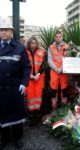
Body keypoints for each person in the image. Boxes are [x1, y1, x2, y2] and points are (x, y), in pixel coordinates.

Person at [0, 17, 31, 149]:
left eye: (6, 30)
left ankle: (17, 138)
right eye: (1, 30)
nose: (3, 32)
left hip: (15, 88)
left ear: (11, 31)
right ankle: (5, 138)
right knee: (2, 114)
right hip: (0, 88)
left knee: (16, 114)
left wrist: (24, 83)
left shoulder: (19, 48)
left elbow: (26, 67)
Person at [26, 36, 45, 125]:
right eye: (31, 43)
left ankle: (37, 116)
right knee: (30, 96)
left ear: (37, 44)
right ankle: (31, 116)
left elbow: (43, 65)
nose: (33, 45)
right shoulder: (25, 53)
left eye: (35, 43)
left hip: (39, 78)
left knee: (38, 96)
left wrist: (37, 74)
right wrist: (30, 76)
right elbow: (23, 66)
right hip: (29, 78)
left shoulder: (42, 52)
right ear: (29, 44)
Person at [48, 31, 69, 109]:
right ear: (54, 37)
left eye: (60, 36)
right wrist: (56, 69)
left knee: (64, 89)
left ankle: (64, 106)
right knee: (53, 89)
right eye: (56, 36)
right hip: (54, 71)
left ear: (62, 37)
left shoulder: (67, 46)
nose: (58, 38)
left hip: (64, 71)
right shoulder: (51, 47)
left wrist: (62, 68)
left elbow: (68, 58)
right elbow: (49, 59)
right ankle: (54, 107)